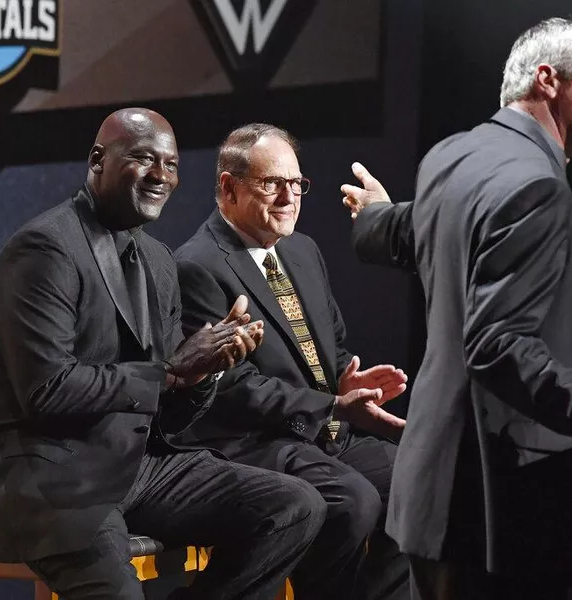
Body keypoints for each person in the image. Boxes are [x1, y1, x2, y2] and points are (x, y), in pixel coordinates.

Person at [0, 108, 327, 600]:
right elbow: (46, 390)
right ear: (98, 159)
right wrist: (169, 371)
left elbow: (167, 406)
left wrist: (203, 373)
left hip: (137, 463)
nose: (161, 175)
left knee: (294, 506)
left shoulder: (159, 261)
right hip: (52, 475)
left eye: (171, 164)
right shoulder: (43, 250)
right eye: (143, 159)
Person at [341, 18, 572, 600]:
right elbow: (497, 348)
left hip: (433, 499)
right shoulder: (537, 185)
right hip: (502, 509)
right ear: (548, 79)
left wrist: (376, 218)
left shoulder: (452, 156)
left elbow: (427, 229)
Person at [174, 123, 411, 600]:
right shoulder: (197, 265)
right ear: (228, 187)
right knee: (352, 500)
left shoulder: (302, 251)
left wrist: (347, 378)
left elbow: (332, 348)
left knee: (418, 481)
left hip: (321, 432)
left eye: (296, 184)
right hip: (250, 442)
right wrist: (332, 407)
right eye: (271, 183)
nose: (289, 197)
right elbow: (230, 386)